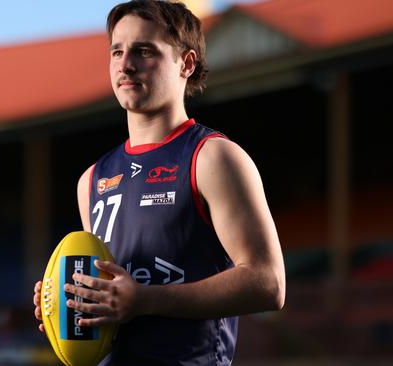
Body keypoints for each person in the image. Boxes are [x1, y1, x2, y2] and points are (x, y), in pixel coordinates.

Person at [33, 0, 285, 364]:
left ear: (187, 63)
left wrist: (144, 299)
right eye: (117, 51)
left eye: (144, 50)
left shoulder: (212, 157)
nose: (125, 64)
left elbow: (268, 284)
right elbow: (112, 290)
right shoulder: (92, 179)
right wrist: (66, 300)